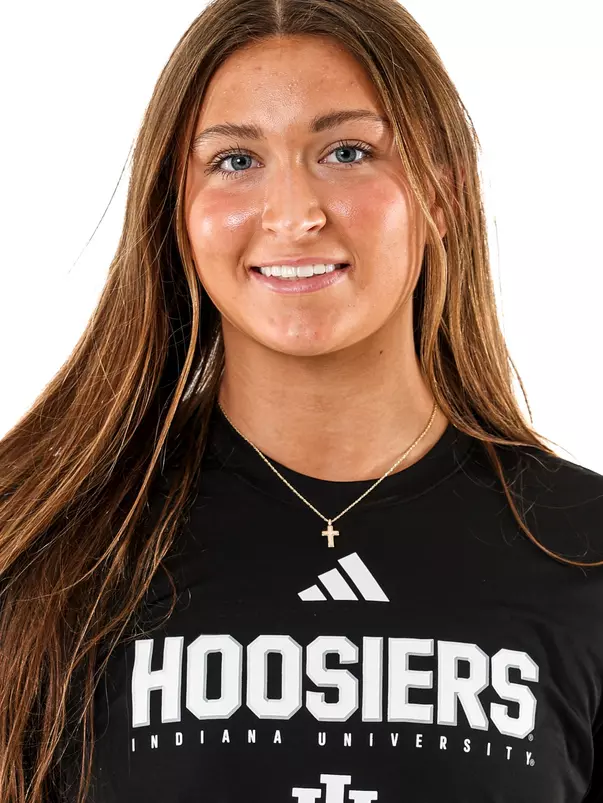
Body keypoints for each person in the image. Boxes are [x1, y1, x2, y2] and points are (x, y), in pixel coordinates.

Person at [0, 0, 602, 801]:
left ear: (443, 192)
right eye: (235, 161)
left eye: (346, 151)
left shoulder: (580, 547)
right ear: (175, 210)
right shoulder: (46, 541)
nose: (293, 215)